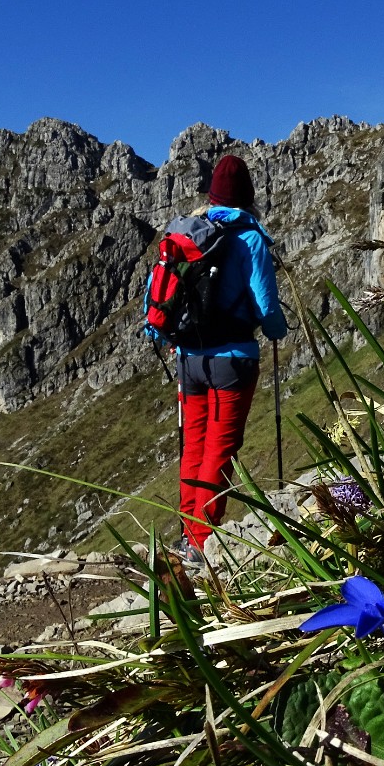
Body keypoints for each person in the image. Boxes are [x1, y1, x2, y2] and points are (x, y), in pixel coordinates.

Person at [171, 155, 287, 563]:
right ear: (249, 199)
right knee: (220, 448)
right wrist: (277, 329)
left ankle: (187, 532)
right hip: (232, 361)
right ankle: (202, 542)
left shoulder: (192, 232)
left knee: (193, 446)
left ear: (212, 195)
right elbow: (266, 308)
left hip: (188, 359)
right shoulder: (250, 238)